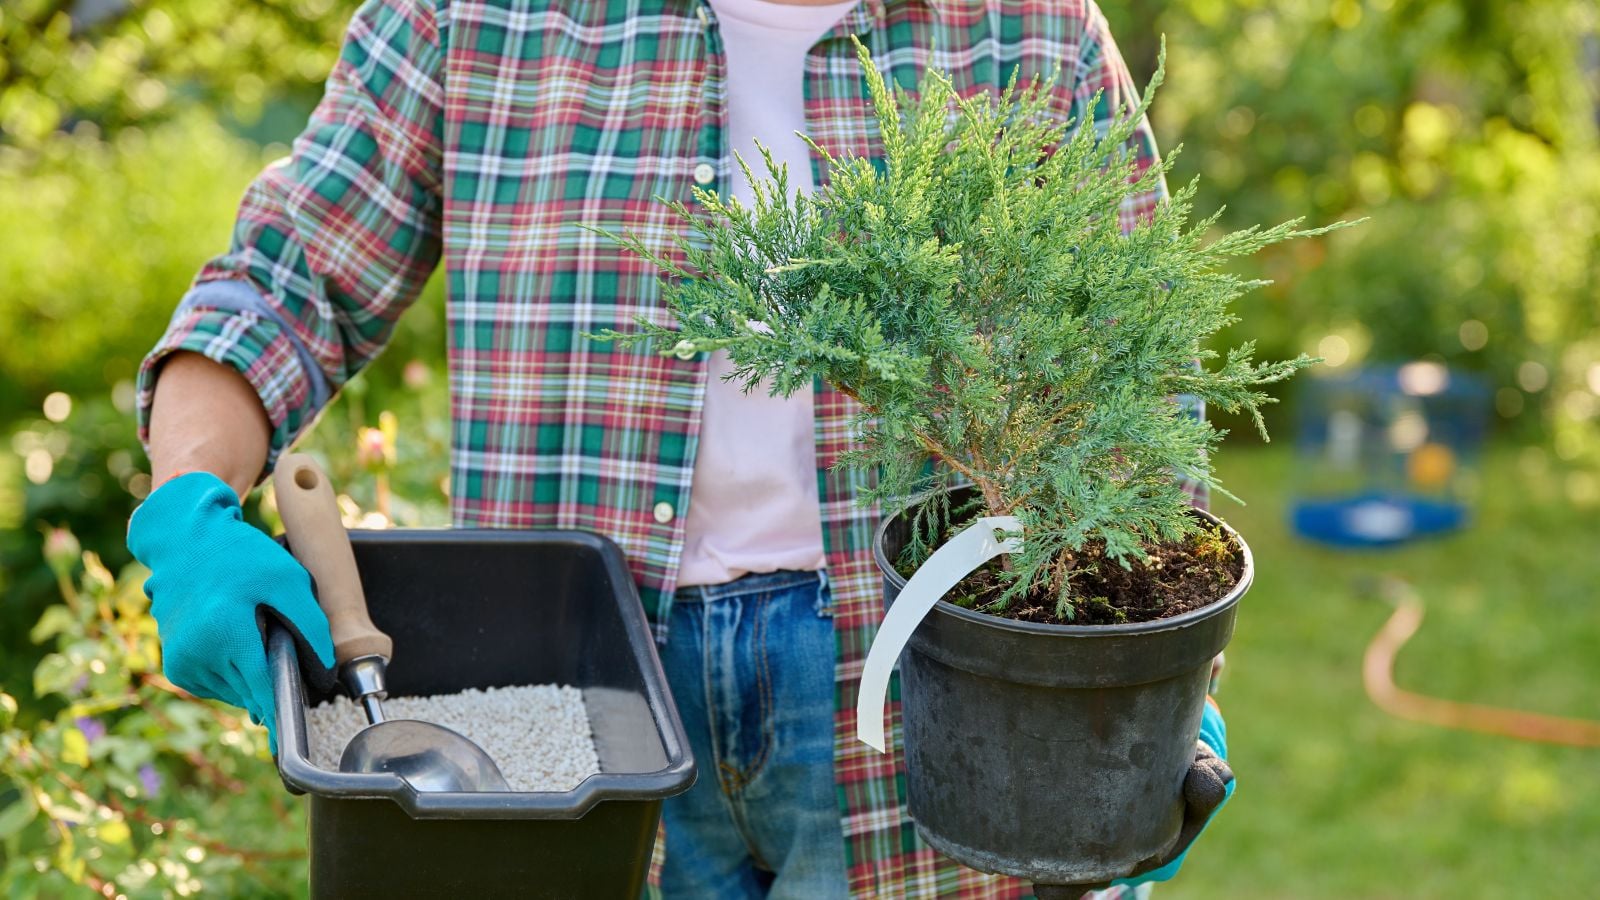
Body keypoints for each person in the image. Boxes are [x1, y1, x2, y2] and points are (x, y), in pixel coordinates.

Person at [125, 1, 1233, 897]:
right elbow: (280, 286)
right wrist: (190, 505)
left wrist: (1147, 687)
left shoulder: (1024, 27)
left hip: (922, 692)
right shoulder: (471, 14)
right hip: (574, 691)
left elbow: (1134, 384)